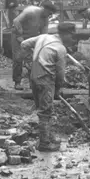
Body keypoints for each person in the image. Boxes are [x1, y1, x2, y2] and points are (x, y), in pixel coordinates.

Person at [20, 22, 76, 152]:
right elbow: (60, 74)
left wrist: (32, 58)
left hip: (34, 77)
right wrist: (58, 89)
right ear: (65, 34)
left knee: (43, 109)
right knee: (45, 112)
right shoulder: (60, 49)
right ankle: (44, 143)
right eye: (72, 36)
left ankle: (48, 136)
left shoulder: (43, 37)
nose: (73, 39)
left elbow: (23, 44)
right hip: (45, 79)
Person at [11, 3, 58, 90]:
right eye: (49, 13)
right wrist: (19, 33)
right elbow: (16, 21)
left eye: (51, 14)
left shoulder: (45, 19)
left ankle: (32, 82)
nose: (49, 15)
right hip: (18, 36)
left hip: (31, 38)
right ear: (44, 8)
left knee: (33, 59)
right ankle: (17, 82)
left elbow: (44, 34)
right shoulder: (31, 11)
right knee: (18, 59)